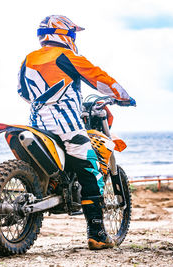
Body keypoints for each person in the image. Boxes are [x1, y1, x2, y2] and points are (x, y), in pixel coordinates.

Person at [17, 15, 136, 250]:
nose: (74, 39)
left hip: (36, 125)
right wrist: (123, 96)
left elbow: (23, 92)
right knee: (90, 168)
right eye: (72, 34)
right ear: (64, 35)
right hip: (67, 127)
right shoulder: (68, 56)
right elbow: (99, 78)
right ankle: (97, 233)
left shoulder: (28, 59)